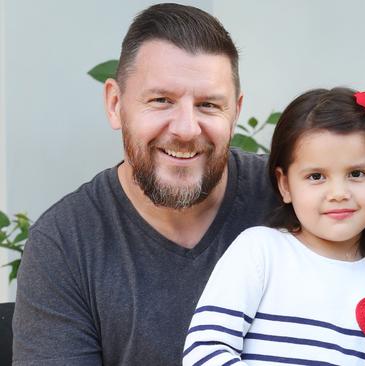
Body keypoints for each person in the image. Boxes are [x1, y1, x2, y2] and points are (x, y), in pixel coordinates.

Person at [12, 4, 277, 365]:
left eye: (209, 105)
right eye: (161, 100)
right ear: (115, 104)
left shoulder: (289, 201)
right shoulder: (64, 244)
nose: (186, 129)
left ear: (235, 112)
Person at [182, 87, 365, 366]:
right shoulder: (260, 251)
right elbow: (206, 351)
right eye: (316, 176)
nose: (338, 192)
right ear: (285, 185)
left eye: (356, 173)